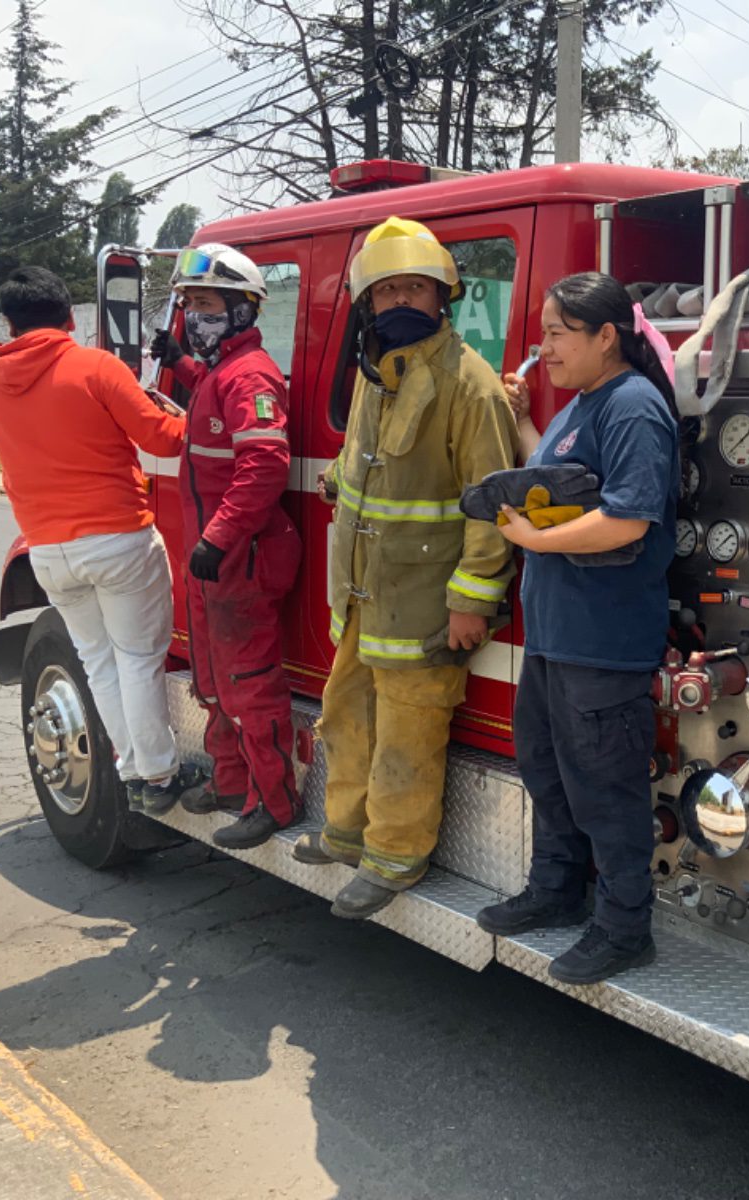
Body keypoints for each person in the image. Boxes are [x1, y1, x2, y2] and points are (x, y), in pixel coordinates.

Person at [294, 217, 518, 919]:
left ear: (442, 295)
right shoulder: (376, 374)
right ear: (368, 302)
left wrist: (471, 603)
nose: (398, 302)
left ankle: (394, 859)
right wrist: (337, 478)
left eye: (412, 288)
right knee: (346, 715)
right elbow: (368, 462)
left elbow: (492, 507)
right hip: (365, 599)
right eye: (385, 290)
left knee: (407, 735)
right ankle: (344, 833)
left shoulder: (470, 387)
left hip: (425, 604)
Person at [475, 272, 680, 986]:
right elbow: (556, 480)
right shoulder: (582, 406)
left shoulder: (633, 409)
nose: (544, 346)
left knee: (606, 788)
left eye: (559, 332)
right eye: (544, 332)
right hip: (557, 638)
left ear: (606, 336)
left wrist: (533, 542)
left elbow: (626, 517)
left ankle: (624, 929)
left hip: (604, 639)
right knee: (549, 771)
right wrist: (528, 420)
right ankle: (557, 891)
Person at [0, 266, 203, 812]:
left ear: (10, 324)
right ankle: (156, 774)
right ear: (70, 316)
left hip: (47, 550)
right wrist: (196, 413)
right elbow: (164, 439)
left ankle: (133, 771)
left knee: (98, 661)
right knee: (137, 657)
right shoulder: (94, 367)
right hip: (117, 540)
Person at [149, 243, 303, 850]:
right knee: (212, 681)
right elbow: (212, 400)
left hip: (240, 556)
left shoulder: (253, 375)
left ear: (242, 312)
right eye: (189, 306)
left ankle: (274, 804)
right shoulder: (220, 372)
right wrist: (181, 364)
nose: (196, 317)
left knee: (249, 683)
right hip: (215, 559)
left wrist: (217, 538)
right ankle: (231, 781)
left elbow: (263, 466)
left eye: (208, 306)